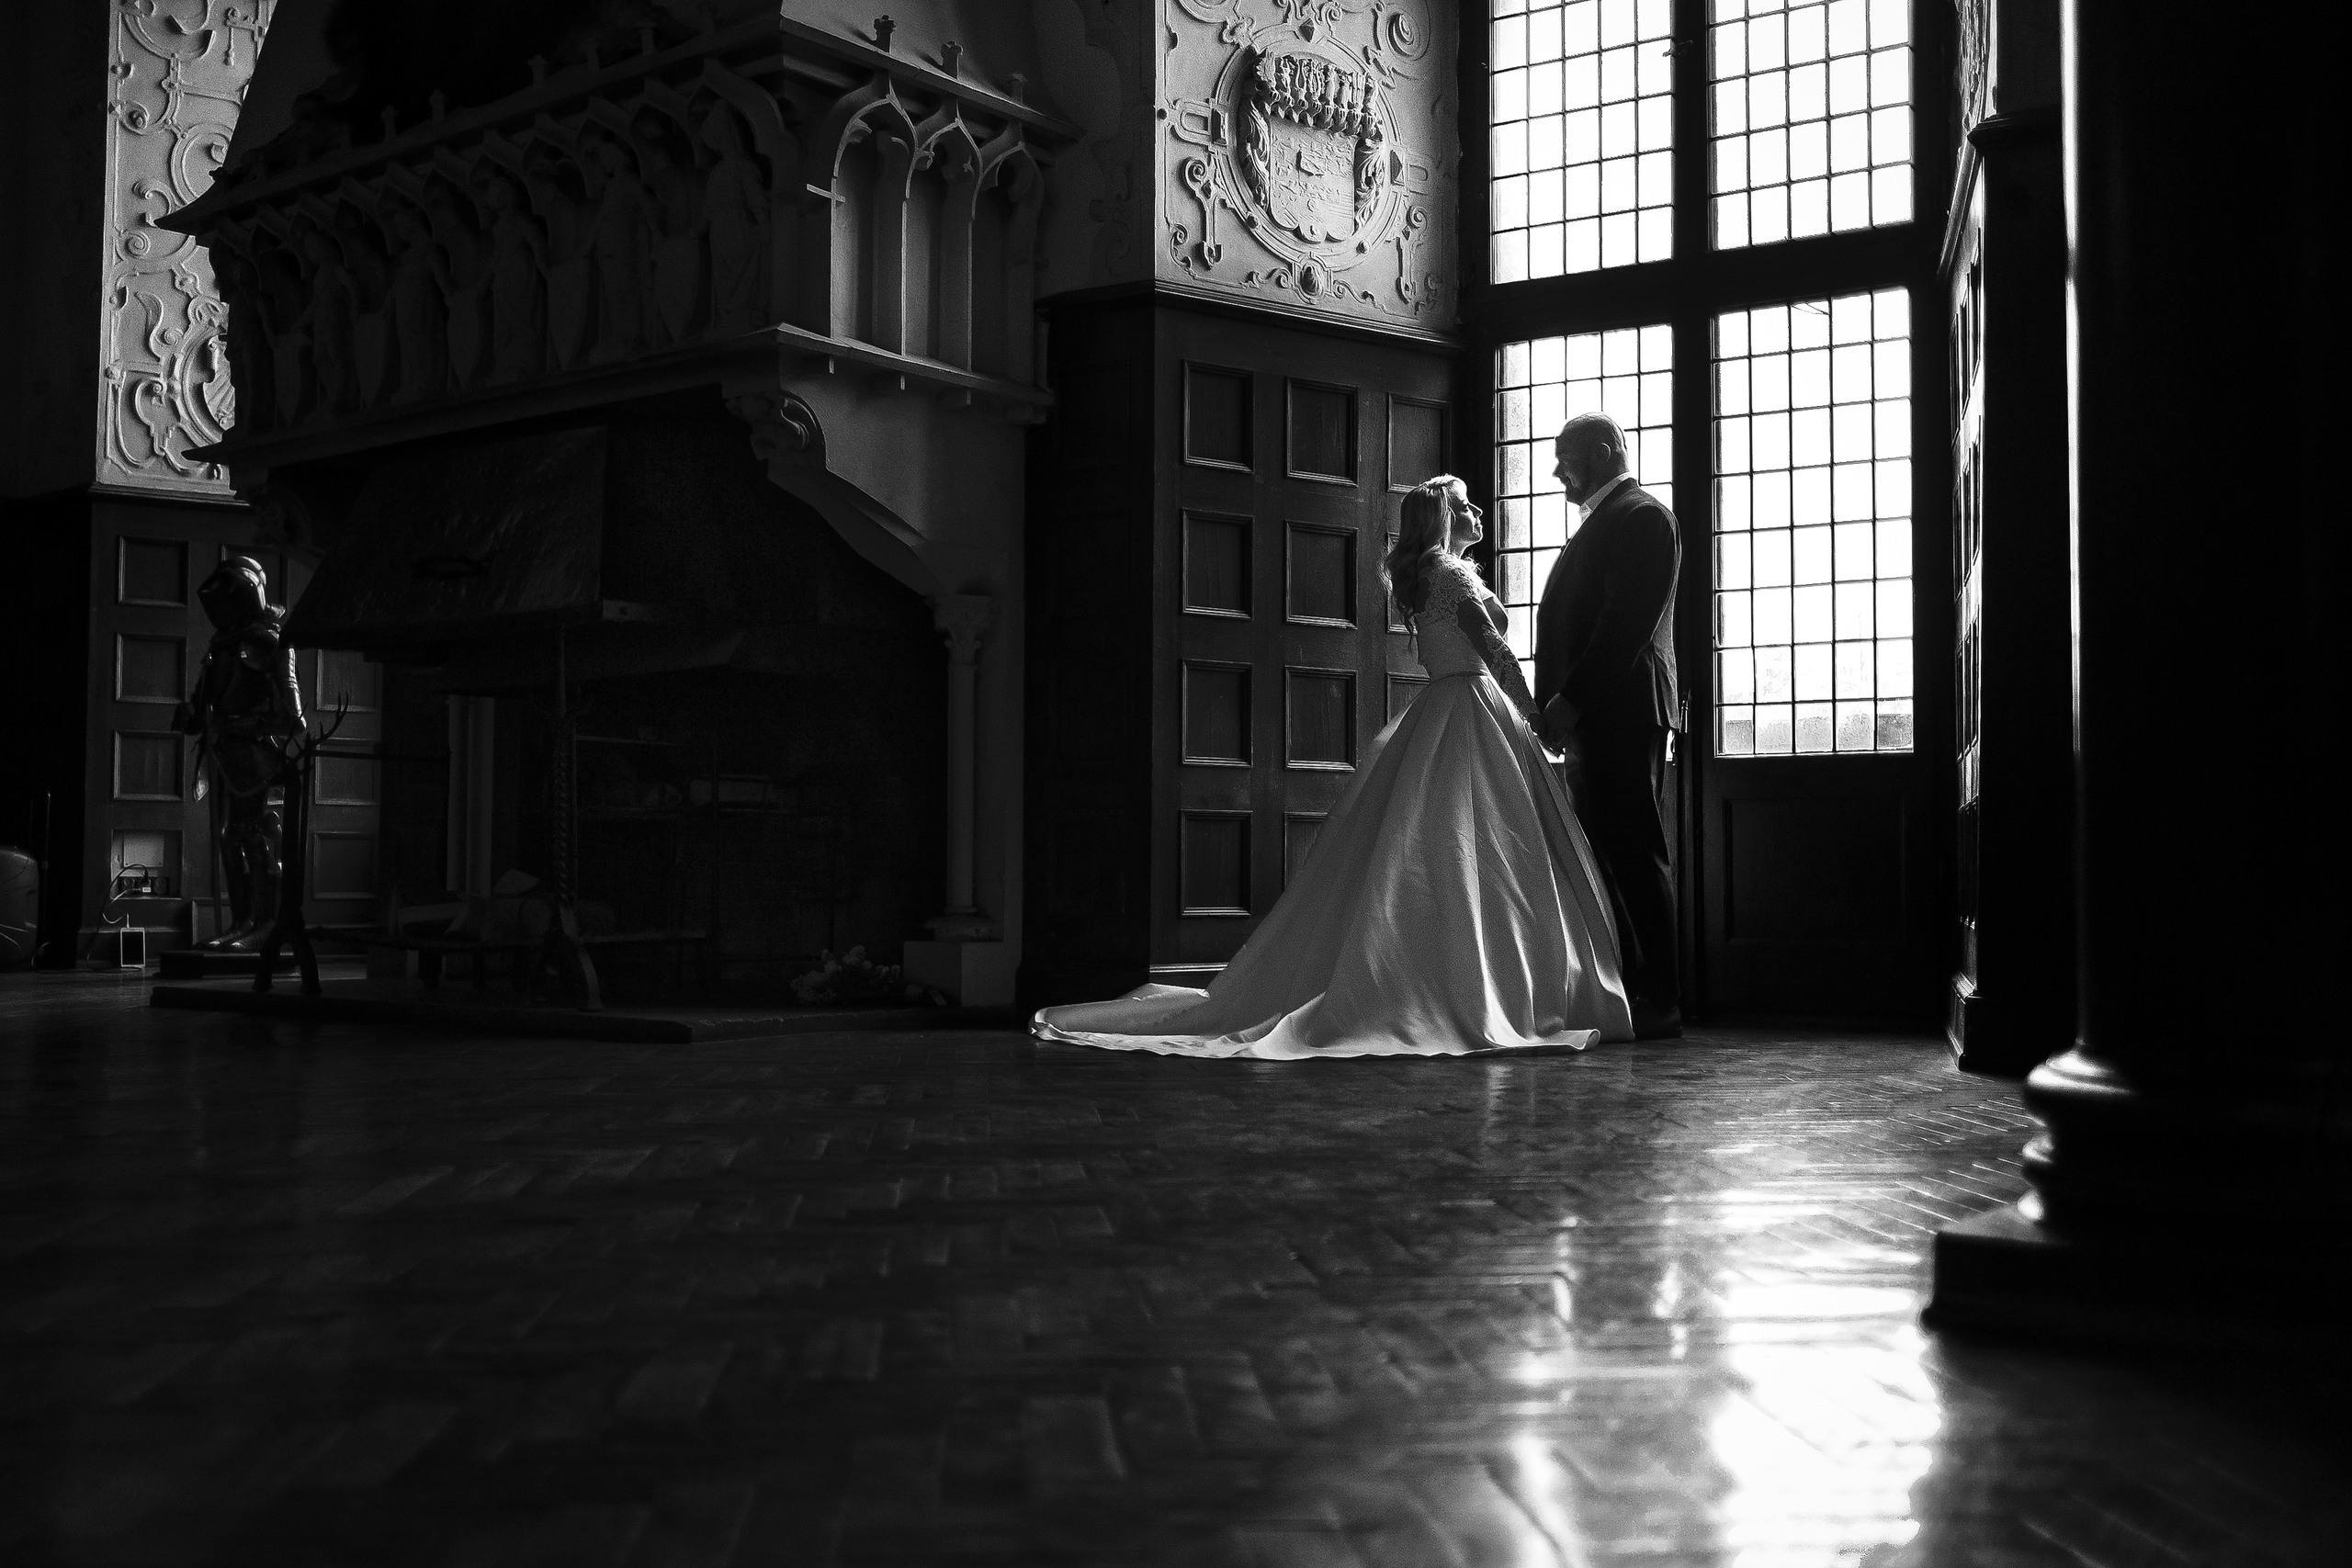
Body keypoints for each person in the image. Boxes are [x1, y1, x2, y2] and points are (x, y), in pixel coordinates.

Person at [1032, 476, 1634, 1058]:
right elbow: (1496, 652)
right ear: (1444, 517)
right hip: (1474, 708)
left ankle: (1463, 978)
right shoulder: (1449, 574)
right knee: (1481, 854)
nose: (1477, 509)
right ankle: (1479, 988)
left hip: (1449, 710)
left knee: (1453, 856)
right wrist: (1534, 716)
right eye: (1465, 503)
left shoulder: (1431, 574)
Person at [1533, 414, 1684, 1040]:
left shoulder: (1642, 516)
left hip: (1621, 712)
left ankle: (1664, 998)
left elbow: (1624, 625)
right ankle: (1630, 990)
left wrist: (1569, 702)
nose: (1555, 469)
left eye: (1564, 456)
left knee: (1634, 853)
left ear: (1600, 454)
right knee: (1607, 855)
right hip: (1598, 717)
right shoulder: (1607, 518)